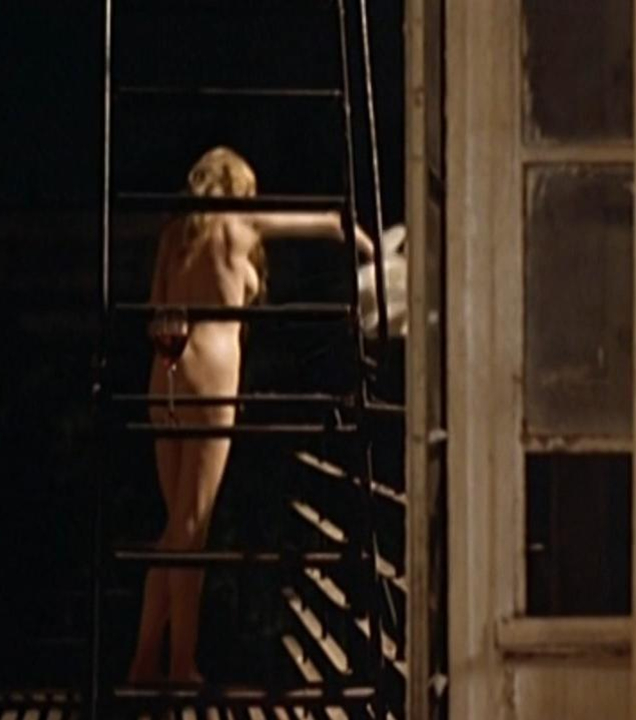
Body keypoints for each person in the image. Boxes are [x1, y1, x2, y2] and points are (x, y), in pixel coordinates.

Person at [128, 146, 374, 683]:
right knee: (192, 526)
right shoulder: (237, 226)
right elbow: (307, 223)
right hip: (212, 372)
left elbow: (154, 312)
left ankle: (159, 661)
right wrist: (354, 235)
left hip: (165, 370)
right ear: (238, 187)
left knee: (179, 526)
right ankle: (167, 665)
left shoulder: (175, 234)